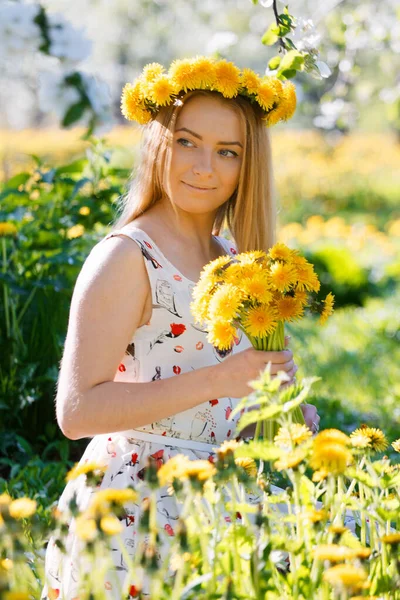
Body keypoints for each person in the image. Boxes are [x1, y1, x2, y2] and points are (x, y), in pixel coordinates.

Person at [41, 57, 320, 599]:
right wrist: (222, 381)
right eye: (188, 141)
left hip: (220, 514)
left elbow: (219, 407)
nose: (204, 167)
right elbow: (76, 413)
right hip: (136, 515)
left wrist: (275, 417)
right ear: (157, 142)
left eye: (227, 152)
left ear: (248, 166)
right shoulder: (127, 257)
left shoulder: (236, 258)